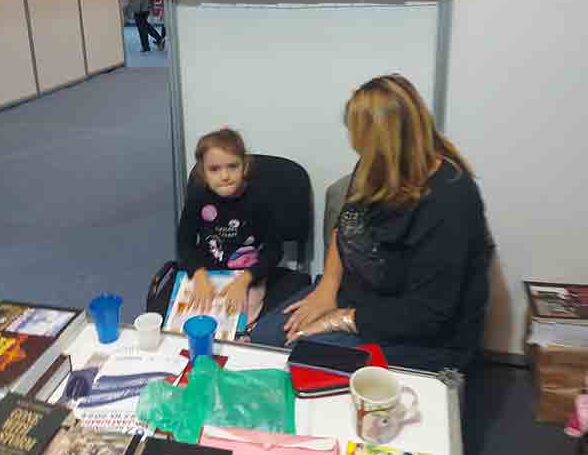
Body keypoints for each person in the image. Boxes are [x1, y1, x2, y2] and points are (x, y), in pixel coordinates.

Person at [251, 74, 492, 372]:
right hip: (358, 297)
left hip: (419, 332)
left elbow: (429, 313)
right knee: (264, 339)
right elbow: (346, 225)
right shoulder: (375, 165)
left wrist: (341, 319)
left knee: (297, 359)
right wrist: (327, 287)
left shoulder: (451, 199)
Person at [177, 128, 282, 322]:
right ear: (202, 172)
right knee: (193, 316)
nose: (225, 176)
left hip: (248, 275)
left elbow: (274, 250)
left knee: (239, 321)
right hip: (205, 273)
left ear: (245, 166)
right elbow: (184, 243)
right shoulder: (198, 198)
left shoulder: (259, 199)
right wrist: (198, 274)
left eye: (232, 166)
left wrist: (245, 279)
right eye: (214, 169)